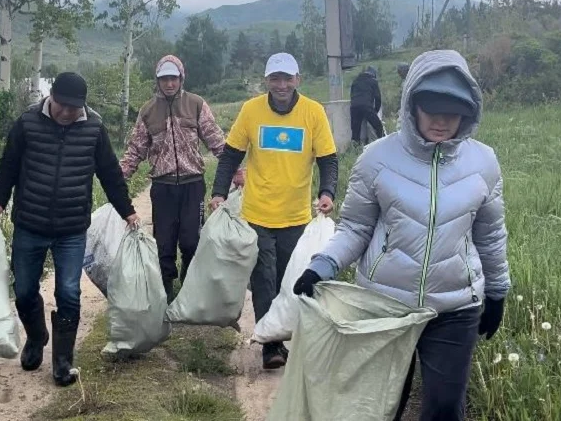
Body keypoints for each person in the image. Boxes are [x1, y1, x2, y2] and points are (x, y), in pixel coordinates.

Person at [292, 49, 511, 421]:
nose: (441, 121)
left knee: (445, 413)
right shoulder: (377, 158)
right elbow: (354, 227)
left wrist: (497, 291)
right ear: (412, 102)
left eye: (454, 113)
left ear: (468, 113)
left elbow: (490, 233)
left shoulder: (483, 162)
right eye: (432, 109)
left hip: (454, 309)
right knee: (381, 408)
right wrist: (323, 265)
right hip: (384, 305)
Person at [0, 71, 139, 387]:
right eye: (62, 105)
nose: (68, 112)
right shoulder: (27, 123)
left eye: (75, 107)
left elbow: (110, 173)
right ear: (50, 97)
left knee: (68, 291)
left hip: (71, 228)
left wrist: (128, 211)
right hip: (29, 223)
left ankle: (63, 361)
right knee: (25, 289)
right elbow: (8, 166)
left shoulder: (94, 129)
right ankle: (37, 336)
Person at [210, 52, 339, 369]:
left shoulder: (313, 112)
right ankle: (272, 346)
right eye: (275, 78)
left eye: (287, 78)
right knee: (265, 279)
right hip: (257, 215)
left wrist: (327, 192)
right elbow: (230, 156)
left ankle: (297, 334)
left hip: (296, 216)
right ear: (266, 80)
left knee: (291, 280)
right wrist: (218, 193)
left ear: (298, 80)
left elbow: (328, 159)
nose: (281, 85)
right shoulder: (251, 111)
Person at [119, 55, 243, 303]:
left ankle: (190, 288)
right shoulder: (147, 111)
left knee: (191, 241)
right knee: (164, 243)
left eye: (173, 78)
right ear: (158, 80)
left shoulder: (196, 104)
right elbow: (135, 150)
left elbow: (216, 140)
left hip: (192, 184)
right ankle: (165, 293)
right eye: (164, 79)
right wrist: (119, 177)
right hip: (162, 187)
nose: (169, 84)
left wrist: (236, 170)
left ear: (181, 78)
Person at [349, 65, 386, 145]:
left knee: (356, 131)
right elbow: (378, 98)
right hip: (366, 106)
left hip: (354, 107)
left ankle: (356, 149)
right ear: (373, 74)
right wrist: (375, 110)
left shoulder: (355, 81)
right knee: (378, 126)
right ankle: (384, 144)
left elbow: (351, 94)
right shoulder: (373, 81)